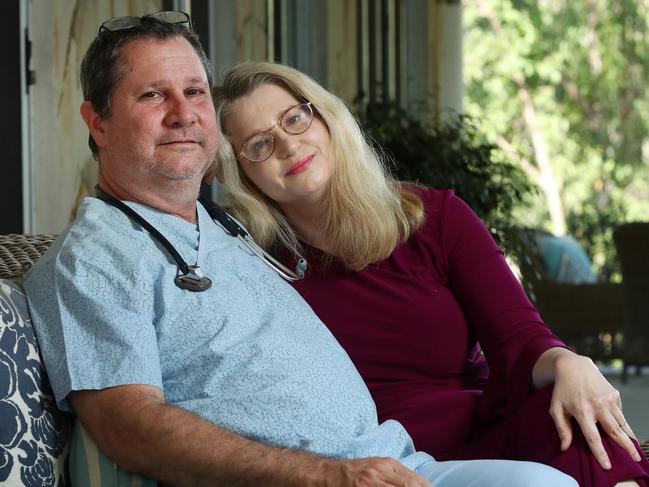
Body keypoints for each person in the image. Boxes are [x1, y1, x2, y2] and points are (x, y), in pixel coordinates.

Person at [23, 11, 578, 487]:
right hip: (320, 480)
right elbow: (128, 427)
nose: (183, 112)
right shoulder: (96, 257)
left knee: (548, 481)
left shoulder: (228, 231)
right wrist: (328, 475)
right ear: (97, 120)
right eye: (152, 95)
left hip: (394, 463)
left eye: (194, 92)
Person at [212, 61, 649, 487]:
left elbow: (517, 335)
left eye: (294, 119)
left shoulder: (435, 217)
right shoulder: (253, 265)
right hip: (378, 464)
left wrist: (568, 362)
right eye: (259, 145)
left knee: (573, 419)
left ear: (326, 120)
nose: (287, 145)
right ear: (243, 172)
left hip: (490, 434)